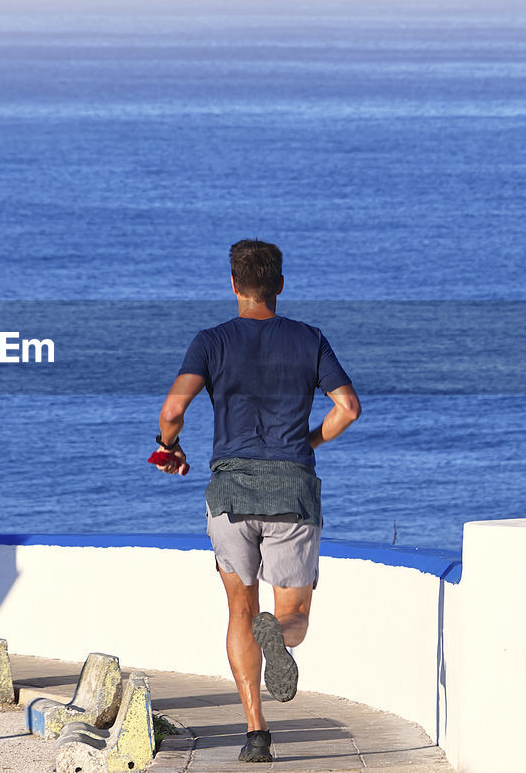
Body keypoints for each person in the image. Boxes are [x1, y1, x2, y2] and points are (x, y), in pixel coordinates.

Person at [152, 239, 361, 763]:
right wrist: (307, 443)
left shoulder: (211, 341)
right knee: (295, 616)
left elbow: (174, 407)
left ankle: (256, 735)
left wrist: (169, 447)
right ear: (280, 285)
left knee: (238, 612)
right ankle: (280, 635)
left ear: (233, 285)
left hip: (229, 492)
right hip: (291, 487)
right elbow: (349, 408)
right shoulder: (309, 339)